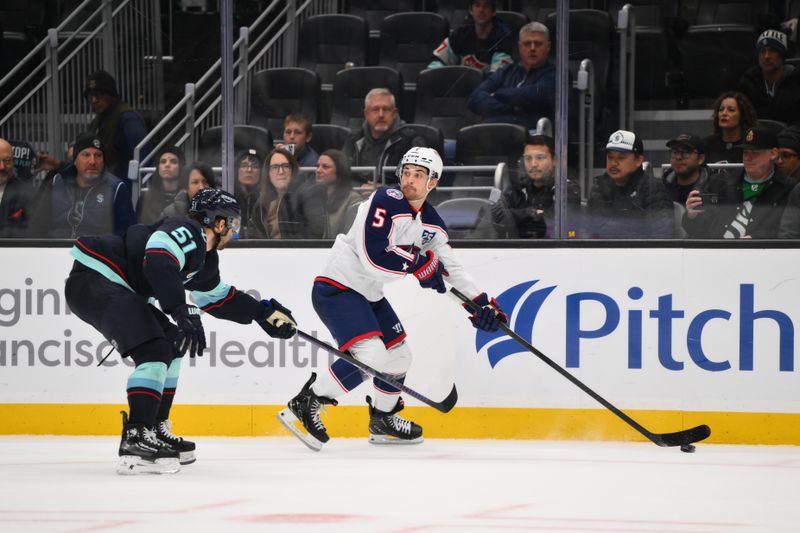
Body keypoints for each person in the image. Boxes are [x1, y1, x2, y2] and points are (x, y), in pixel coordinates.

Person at [277, 146, 508, 451]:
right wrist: (418, 265)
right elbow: (374, 257)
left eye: (419, 175)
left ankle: (383, 420)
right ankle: (305, 403)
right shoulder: (385, 200)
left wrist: (482, 306)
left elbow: (450, 269)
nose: (410, 180)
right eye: (407, 172)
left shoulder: (432, 224)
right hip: (338, 287)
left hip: (368, 294)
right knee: (372, 356)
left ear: (433, 182)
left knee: (399, 357)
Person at [64, 188, 297, 474]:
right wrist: (178, 308)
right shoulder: (188, 230)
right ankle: (136, 437)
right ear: (220, 223)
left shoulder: (205, 258)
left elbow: (218, 298)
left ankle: (153, 428)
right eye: (232, 224)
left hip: (111, 285)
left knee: (173, 345)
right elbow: (159, 258)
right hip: (97, 278)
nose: (233, 232)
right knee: (154, 351)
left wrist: (263, 313)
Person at [684, 126, 799, 239]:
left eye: (755, 153)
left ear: (773, 154)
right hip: (716, 252)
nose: (748, 158)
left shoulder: (789, 190)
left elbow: (790, 232)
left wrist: (760, 239)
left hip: (762, 254)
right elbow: (696, 231)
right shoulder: (720, 182)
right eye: (745, 152)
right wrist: (691, 216)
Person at [29, 133, 136, 239]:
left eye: (98, 155)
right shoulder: (56, 183)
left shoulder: (116, 188)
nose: (93, 161)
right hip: (55, 251)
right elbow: (37, 226)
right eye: (86, 155)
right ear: (75, 160)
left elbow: (125, 234)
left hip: (96, 253)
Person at [467, 22, 555, 130]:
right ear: (519, 47)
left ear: (548, 47)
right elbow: (475, 99)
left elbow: (533, 95)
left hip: (530, 139)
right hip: (490, 134)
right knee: (448, 146)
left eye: (538, 44)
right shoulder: (505, 71)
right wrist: (514, 108)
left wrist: (497, 94)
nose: (532, 48)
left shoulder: (556, 74)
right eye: (527, 44)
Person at [585, 130, 672, 238]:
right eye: (610, 157)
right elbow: (588, 231)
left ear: (639, 160)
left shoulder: (653, 189)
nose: (613, 163)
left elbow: (661, 237)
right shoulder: (599, 187)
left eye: (621, 157)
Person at [491, 134, 560, 238]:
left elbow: (552, 221)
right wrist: (532, 213)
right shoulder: (517, 187)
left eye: (540, 158)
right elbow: (496, 216)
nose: (533, 164)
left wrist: (519, 215)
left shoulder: (565, 189)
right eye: (528, 158)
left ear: (554, 160)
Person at [253, 147, 325, 239]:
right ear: (268, 173)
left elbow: (315, 234)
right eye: (275, 167)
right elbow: (255, 237)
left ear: (292, 170)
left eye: (285, 166)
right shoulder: (261, 204)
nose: (281, 172)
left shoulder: (309, 195)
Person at [427, 0, 513, 75]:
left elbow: (497, 78)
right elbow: (438, 60)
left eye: (486, 6)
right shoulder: (461, 33)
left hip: (486, 90)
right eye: (477, 5)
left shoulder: (503, 37)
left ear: (493, 11)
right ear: (470, 10)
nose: (481, 10)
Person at [342, 88, 407, 183]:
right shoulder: (353, 139)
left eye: (386, 109)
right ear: (366, 114)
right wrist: (360, 187)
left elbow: (419, 181)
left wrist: (385, 190)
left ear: (394, 113)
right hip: (359, 195)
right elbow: (342, 175)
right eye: (375, 109)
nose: (381, 114)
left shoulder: (409, 141)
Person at [737, 29, 800, 126]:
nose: (766, 56)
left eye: (772, 51)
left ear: (782, 55)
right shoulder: (748, 82)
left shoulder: (796, 81)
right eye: (762, 51)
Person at [314, 149, 363, 237]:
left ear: (340, 171)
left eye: (325, 167)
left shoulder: (353, 200)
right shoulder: (312, 197)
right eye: (317, 166)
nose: (318, 170)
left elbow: (348, 236)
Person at [703, 91, 758, 164]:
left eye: (731, 110)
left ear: (742, 115)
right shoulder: (706, 144)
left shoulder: (752, 144)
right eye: (721, 109)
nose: (724, 113)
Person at [138, 146, 185, 224]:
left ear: (181, 166)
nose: (167, 165)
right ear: (158, 167)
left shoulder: (188, 197)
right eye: (163, 161)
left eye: (173, 162)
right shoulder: (145, 198)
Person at [662, 134, 712, 206]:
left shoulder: (714, 188)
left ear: (701, 159)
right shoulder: (662, 187)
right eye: (675, 152)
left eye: (686, 152)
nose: (679, 157)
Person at [0, 138, 35, 238]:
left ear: (13, 161)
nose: (2, 167)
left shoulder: (29, 194)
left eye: (7, 161)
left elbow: (32, 232)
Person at [233, 148, 264, 239]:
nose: (249, 170)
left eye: (255, 166)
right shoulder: (228, 196)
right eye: (244, 165)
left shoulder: (267, 198)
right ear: (237, 171)